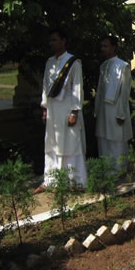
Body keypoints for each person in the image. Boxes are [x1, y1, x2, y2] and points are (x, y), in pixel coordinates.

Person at [35, 28, 86, 193]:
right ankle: (50, 180)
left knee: (70, 143)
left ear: (64, 41)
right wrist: (44, 109)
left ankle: (73, 180)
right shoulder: (49, 62)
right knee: (51, 143)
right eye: (50, 40)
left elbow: (77, 87)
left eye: (55, 40)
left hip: (67, 108)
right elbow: (45, 86)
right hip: (52, 109)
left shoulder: (73, 62)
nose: (51, 43)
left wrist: (74, 112)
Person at [94, 35, 133, 171]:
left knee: (116, 138)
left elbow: (124, 92)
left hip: (116, 109)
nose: (102, 49)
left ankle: (119, 169)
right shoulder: (103, 66)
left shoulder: (122, 66)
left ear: (113, 47)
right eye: (102, 46)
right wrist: (96, 110)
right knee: (103, 137)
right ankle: (106, 167)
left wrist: (121, 113)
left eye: (106, 46)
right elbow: (100, 90)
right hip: (103, 109)